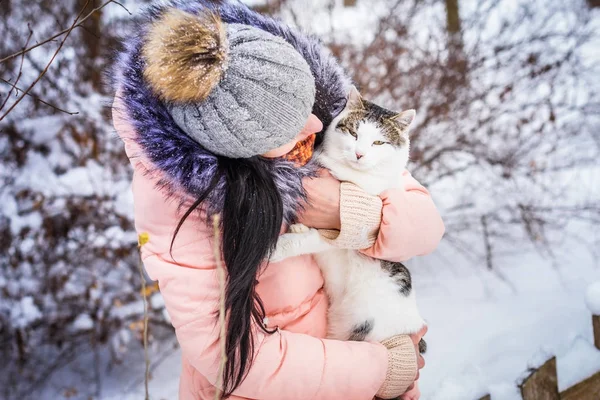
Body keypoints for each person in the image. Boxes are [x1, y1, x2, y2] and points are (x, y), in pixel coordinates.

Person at [112, 6, 444, 400]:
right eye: (292, 127)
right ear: (243, 151)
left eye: (308, 108)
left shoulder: (319, 122)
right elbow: (233, 359)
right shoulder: (183, 206)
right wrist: (380, 369)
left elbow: (426, 227)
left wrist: (350, 212)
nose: (318, 126)